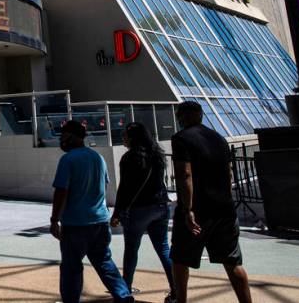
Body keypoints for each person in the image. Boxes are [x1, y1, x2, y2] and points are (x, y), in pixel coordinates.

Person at [170, 101, 251, 303]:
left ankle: (180, 301)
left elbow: (184, 174)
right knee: (232, 262)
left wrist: (187, 209)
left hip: (197, 210)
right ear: (201, 115)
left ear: (181, 117)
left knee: (180, 259)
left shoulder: (181, 139)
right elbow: (229, 174)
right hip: (224, 210)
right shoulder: (219, 139)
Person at [51, 120, 134, 303]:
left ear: (73, 136)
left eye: (64, 136)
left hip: (75, 223)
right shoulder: (98, 158)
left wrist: (54, 220)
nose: (62, 140)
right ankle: (123, 295)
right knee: (104, 261)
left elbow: (61, 192)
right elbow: (103, 186)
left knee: (71, 267)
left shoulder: (67, 160)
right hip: (100, 221)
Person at [111, 122, 175, 303]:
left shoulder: (128, 158)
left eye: (125, 136)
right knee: (163, 248)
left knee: (131, 249)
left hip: (137, 210)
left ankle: (126, 287)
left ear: (132, 138)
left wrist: (116, 213)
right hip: (161, 206)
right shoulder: (157, 155)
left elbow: (123, 189)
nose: (123, 139)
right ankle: (176, 288)